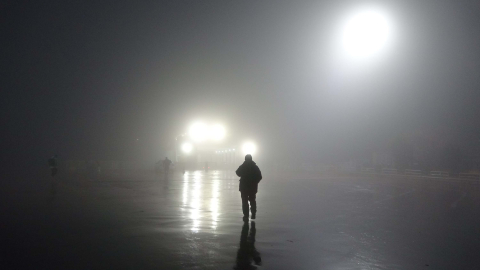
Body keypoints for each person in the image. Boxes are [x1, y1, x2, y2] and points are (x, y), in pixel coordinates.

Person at [235, 154, 262, 221]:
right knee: (252, 200)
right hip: (252, 187)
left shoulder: (243, 166)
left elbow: (237, 172)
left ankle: (246, 215)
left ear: (245, 159)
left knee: (244, 201)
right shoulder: (255, 167)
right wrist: (255, 182)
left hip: (244, 187)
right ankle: (253, 213)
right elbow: (260, 176)